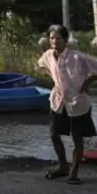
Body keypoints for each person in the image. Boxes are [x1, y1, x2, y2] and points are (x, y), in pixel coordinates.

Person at [38, 24, 97, 185]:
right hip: (58, 100)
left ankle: (74, 172)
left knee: (77, 138)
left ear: (65, 40)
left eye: (58, 38)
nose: (55, 41)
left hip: (77, 101)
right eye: (52, 38)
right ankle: (63, 165)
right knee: (54, 134)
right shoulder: (49, 55)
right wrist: (53, 78)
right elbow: (42, 65)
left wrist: (86, 84)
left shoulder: (77, 57)